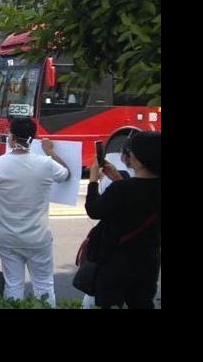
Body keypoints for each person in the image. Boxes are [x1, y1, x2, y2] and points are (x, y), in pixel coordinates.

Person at [0, 116, 70, 307]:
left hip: (7, 237)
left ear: (11, 137)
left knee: (13, 286)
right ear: (33, 138)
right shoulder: (46, 164)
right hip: (38, 237)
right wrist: (50, 152)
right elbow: (66, 173)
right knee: (44, 286)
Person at [85, 131, 161, 309]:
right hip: (148, 260)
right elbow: (139, 199)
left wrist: (93, 181)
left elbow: (94, 210)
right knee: (142, 302)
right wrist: (118, 179)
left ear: (138, 159)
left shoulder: (121, 189)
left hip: (116, 262)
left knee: (110, 303)